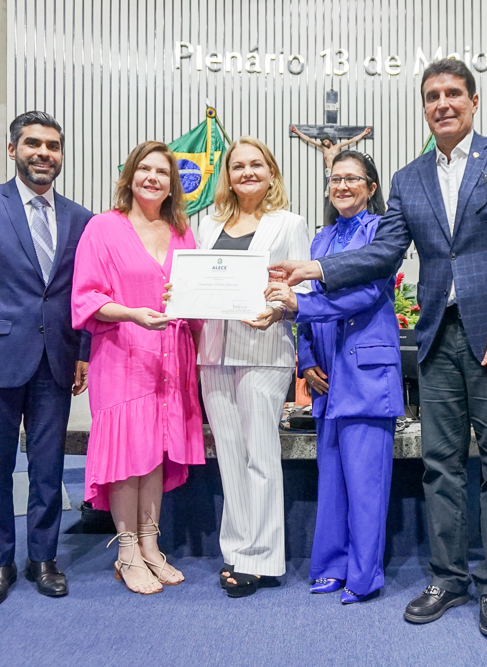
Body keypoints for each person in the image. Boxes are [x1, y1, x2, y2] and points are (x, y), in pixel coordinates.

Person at [270, 59, 487, 638]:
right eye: (432, 96)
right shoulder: (410, 177)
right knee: (440, 464)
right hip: (437, 339)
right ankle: (448, 578)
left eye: (453, 94)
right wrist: (317, 267)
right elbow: (383, 253)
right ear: (424, 107)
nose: (443, 103)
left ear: (474, 101)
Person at [0, 111, 92, 610]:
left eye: (53, 146)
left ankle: (43, 559)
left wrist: (84, 352)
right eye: (33, 144)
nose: (43, 153)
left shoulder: (80, 218)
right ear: (13, 150)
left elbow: (82, 294)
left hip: (56, 361)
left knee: (48, 469)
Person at [265, 150, 401, 604]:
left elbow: (365, 294)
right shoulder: (321, 239)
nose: (342, 186)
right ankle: (329, 565)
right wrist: (305, 358)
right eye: (335, 178)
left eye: (352, 179)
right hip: (326, 376)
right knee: (333, 480)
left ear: (371, 187)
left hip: (365, 371)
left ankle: (364, 576)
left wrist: (300, 305)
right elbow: (300, 300)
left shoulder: (382, 232)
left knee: (366, 483)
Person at [71, 141, 205, 595]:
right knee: (127, 456)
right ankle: (126, 548)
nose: (153, 177)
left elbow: (195, 293)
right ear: (129, 176)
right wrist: (131, 313)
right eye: (144, 169)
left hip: (170, 357)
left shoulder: (182, 231)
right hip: (122, 354)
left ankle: (151, 544)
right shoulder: (103, 227)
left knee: (154, 454)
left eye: (162, 172)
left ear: (173, 184)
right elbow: (86, 297)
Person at [195, 137, 311, 598]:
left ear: (271, 172)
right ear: (228, 174)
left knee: (260, 456)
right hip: (214, 350)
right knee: (229, 457)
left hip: (264, 350)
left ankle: (261, 558)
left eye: (256, 165)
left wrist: (285, 309)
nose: (246, 172)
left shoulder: (290, 223)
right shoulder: (208, 225)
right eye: (238, 165)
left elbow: (303, 294)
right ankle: (237, 548)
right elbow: (197, 283)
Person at [291, 125, 371, 197]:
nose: (325, 143)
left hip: (337, 169)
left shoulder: (337, 146)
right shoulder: (323, 148)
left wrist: (364, 133)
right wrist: (297, 131)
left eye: (326, 141)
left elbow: (352, 140)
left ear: (329, 140)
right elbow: (309, 140)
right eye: (323, 142)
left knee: (338, 183)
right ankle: (330, 193)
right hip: (329, 169)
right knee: (331, 183)